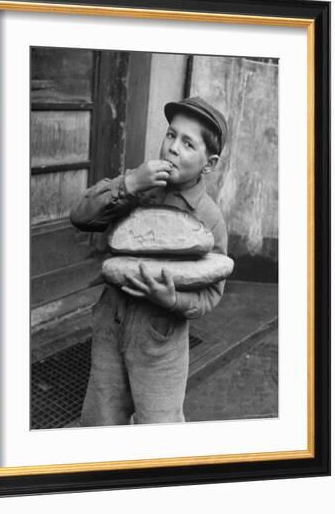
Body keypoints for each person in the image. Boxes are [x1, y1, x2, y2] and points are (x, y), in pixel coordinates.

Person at [70, 96, 229, 426]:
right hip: (110, 325)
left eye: (188, 143)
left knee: (160, 426)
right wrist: (128, 183)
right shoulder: (136, 187)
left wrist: (173, 299)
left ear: (209, 163)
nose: (172, 148)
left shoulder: (210, 220)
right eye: (171, 135)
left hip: (161, 337)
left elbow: (212, 293)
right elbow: (81, 217)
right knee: (101, 418)